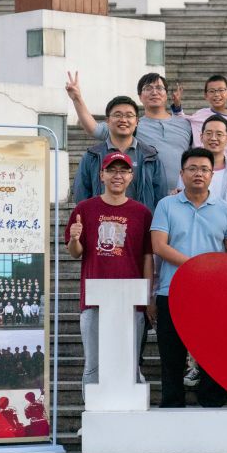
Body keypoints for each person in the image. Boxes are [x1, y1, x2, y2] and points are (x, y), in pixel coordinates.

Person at [151, 148, 227, 408]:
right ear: (182, 173)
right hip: (171, 290)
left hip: (213, 293)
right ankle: (172, 405)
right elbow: (159, 246)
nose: (198, 173)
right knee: (172, 355)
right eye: (192, 169)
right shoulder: (166, 205)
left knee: (213, 352)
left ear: (212, 175)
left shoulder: (225, 209)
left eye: (204, 169)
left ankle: (212, 404)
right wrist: (195, 266)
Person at [65, 151, 154, 398]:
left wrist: (147, 297)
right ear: (101, 175)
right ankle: (91, 410)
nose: (118, 176)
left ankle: (128, 408)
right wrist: (74, 238)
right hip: (94, 300)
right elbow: (75, 252)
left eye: (123, 171)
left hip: (130, 300)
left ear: (131, 176)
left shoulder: (142, 213)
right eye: (112, 170)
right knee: (93, 363)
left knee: (129, 361)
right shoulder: (85, 209)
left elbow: (147, 257)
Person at [68, 71, 192, 195]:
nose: (154, 92)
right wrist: (77, 99)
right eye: (148, 88)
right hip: (147, 196)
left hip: (183, 196)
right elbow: (94, 129)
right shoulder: (131, 125)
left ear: (166, 94)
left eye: (159, 88)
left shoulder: (185, 124)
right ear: (140, 96)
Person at [71, 95, 167, 212]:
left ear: (137, 121)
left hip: (140, 221)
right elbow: (81, 195)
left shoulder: (150, 156)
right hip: (102, 221)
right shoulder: (92, 156)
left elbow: (160, 197)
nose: (123, 120)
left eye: (129, 115)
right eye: (117, 115)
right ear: (107, 121)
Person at [172, 75, 227, 154]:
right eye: (212, 91)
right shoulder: (201, 114)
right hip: (199, 158)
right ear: (206, 95)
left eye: (221, 90)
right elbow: (180, 119)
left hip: (222, 159)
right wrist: (177, 104)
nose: (217, 94)